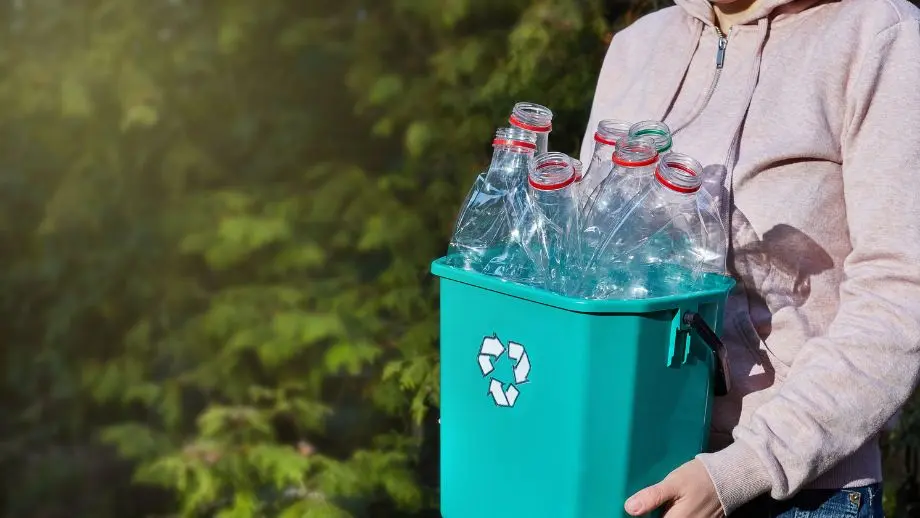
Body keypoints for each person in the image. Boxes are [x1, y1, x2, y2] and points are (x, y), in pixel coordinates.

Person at [578, 0, 920, 516]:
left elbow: (901, 293)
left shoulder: (878, 33)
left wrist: (745, 468)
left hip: (800, 493)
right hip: (629, 470)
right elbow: (585, 262)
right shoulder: (638, 47)